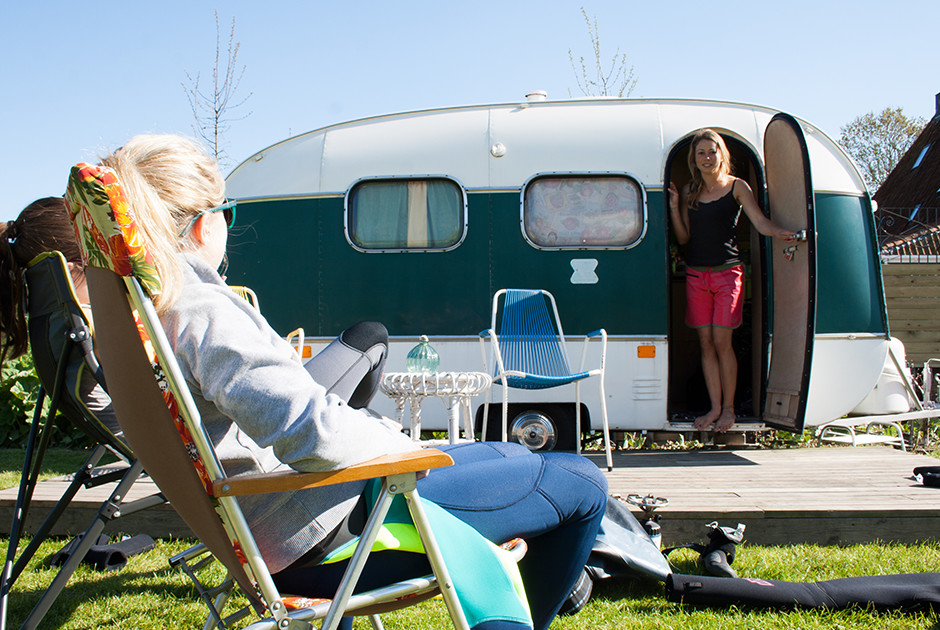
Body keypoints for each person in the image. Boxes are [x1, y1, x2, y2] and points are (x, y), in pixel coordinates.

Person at [96, 134, 607, 630]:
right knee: (583, 483)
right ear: (205, 224)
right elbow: (309, 432)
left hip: (284, 523)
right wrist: (400, 446)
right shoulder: (200, 309)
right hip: (331, 534)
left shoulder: (139, 313)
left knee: (513, 457)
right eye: (227, 212)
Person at [668, 129, 798, 433]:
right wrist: (675, 206)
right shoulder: (689, 191)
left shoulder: (737, 187)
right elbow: (684, 237)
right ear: (694, 159)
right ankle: (714, 408)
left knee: (722, 342)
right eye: (701, 153)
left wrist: (781, 232)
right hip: (697, 274)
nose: (707, 158)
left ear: (721, 154)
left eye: (712, 151)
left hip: (728, 273)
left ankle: (728, 410)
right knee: (706, 343)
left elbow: (760, 222)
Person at [0, 197, 119, 436]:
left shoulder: (57, 316)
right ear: (73, 269)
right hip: (152, 432)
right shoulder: (91, 320)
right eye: (98, 260)